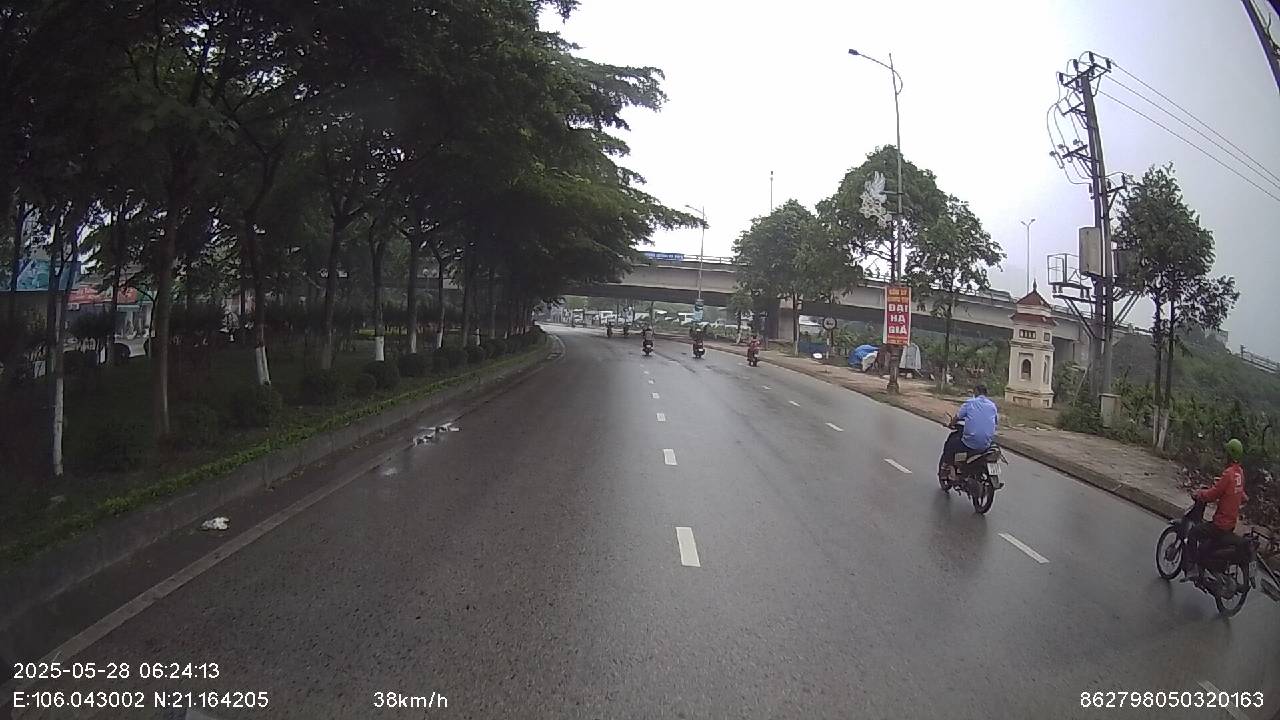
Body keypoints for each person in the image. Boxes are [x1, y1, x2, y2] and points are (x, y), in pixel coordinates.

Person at [1183, 438, 1248, 575]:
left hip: (1220, 525)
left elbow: (1212, 495)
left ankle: (1192, 568)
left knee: (1193, 533)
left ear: (1229, 455)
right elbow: (1239, 492)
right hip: (1231, 524)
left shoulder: (1228, 474)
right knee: (1209, 543)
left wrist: (1200, 494)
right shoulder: (1240, 473)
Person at [938, 384, 999, 481]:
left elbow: (957, 417)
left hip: (970, 443)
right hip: (986, 444)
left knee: (950, 444)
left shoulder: (970, 403)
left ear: (976, 392)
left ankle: (946, 468)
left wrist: (951, 424)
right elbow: (995, 422)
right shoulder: (992, 406)